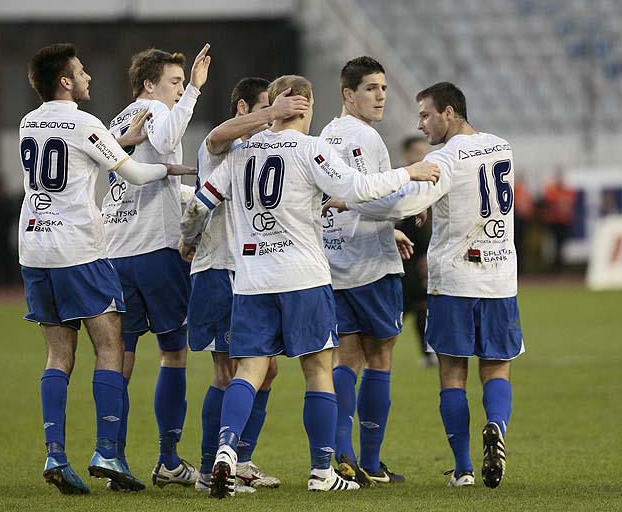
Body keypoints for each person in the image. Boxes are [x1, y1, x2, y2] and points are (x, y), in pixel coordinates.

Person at [178, 75, 440, 497]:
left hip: (252, 280)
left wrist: (189, 238)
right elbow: (358, 188)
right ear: (307, 106)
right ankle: (321, 471)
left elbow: (199, 204)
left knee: (248, 370)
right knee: (318, 370)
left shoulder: (241, 152)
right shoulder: (311, 149)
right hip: (303, 277)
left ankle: (226, 450)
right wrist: (410, 171)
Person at [324, 82, 523, 489]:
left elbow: (404, 202)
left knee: (452, 374)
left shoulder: (444, 159)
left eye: (425, 114)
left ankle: (464, 469)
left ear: (449, 112)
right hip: (501, 278)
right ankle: (496, 425)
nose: (420, 124)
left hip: (454, 280)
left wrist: (351, 200)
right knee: (497, 368)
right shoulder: (500, 147)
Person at [19, 43, 195, 495]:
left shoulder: (28, 123)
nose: (88, 77)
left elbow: (78, 157)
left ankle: (55, 454)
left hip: (33, 248)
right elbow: (134, 174)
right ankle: (107, 452)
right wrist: (172, 171)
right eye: (81, 72)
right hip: (78, 249)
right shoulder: (85, 123)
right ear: (65, 81)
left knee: (58, 355)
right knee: (111, 345)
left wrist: (122, 142)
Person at [187, 77, 308, 493]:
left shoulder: (260, 151)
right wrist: (189, 238)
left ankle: (239, 459)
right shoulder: (224, 146)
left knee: (266, 369)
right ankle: (209, 471)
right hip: (220, 268)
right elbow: (215, 138)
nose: (271, 121)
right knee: (228, 372)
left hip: (247, 273)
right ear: (243, 109)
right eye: (263, 111)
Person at [99, 45, 211, 489]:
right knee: (173, 351)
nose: (180, 89)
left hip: (115, 250)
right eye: (175, 81)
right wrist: (196, 91)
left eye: (183, 82)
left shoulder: (115, 121)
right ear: (149, 84)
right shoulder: (156, 111)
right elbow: (164, 142)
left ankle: (113, 457)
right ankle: (168, 459)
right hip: (155, 250)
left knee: (119, 356)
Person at [319, 56, 408, 485]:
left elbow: (340, 198)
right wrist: (404, 209)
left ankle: (344, 453)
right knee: (380, 357)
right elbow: (377, 198)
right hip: (371, 264)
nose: (380, 96)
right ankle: (371, 462)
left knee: (345, 359)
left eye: (383, 88)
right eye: (371, 88)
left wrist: (389, 227)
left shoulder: (324, 135)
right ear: (347, 94)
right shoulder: (366, 138)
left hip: (333, 262)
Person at [396, 136, 434, 367]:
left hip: (418, 256)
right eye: (417, 153)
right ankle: (376, 354)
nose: (422, 157)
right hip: (397, 257)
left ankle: (427, 354)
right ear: (406, 155)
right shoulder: (396, 182)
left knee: (422, 306)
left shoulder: (429, 182)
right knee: (397, 309)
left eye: (424, 152)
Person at [541, 168, 576, 272]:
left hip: (563, 221)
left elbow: (569, 204)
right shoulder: (552, 190)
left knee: (561, 244)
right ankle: (554, 265)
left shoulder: (565, 190)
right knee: (554, 244)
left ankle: (558, 265)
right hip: (553, 221)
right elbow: (552, 203)